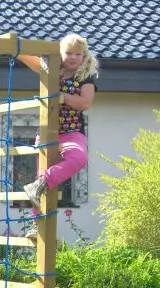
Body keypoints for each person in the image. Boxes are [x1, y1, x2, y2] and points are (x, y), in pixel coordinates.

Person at [16, 33, 99, 240]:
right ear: (60, 54)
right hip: (47, 131)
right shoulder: (52, 70)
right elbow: (30, 59)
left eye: (78, 54)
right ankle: (37, 226)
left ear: (84, 56)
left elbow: (85, 102)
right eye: (68, 53)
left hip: (71, 132)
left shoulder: (85, 76)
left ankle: (42, 181)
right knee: (41, 182)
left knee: (78, 158)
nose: (73, 58)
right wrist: (14, 47)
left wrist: (62, 97)